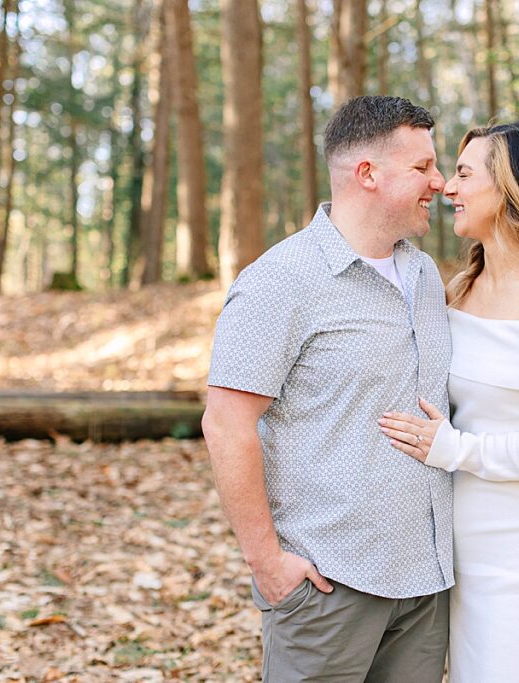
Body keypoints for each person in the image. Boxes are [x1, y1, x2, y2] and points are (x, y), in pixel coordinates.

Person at [201, 96, 453, 682]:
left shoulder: (425, 274)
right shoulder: (280, 280)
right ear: (368, 174)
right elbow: (226, 423)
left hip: (426, 581)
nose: (439, 182)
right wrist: (267, 563)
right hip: (329, 583)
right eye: (422, 167)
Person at [378, 119, 519, 682]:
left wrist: (455, 450)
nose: (448, 187)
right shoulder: (459, 291)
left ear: (511, 186)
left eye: (464, 174)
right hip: (458, 555)